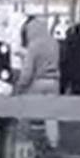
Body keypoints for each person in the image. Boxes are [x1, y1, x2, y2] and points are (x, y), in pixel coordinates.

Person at [14, 16, 62, 150]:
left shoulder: (34, 45)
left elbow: (27, 71)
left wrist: (20, 85)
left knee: (25, 112)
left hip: (38, 82)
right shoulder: (54, 43)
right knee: (51, 115)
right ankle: (53, 141)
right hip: (54, 81)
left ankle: (23, 139)